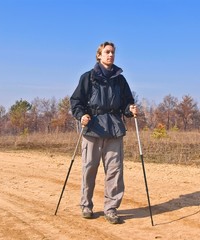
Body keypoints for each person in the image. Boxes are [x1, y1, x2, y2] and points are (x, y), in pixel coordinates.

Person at [70, 41, 138, 224]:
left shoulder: (120, 79)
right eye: (107, 52)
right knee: (89, 168)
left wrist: (130, 110)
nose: (110, 55)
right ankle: (86, 205)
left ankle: (111, 208)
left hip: (114, 129)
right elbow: (76, 101)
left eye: (113, 52)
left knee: (115, 171)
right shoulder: (88, 77)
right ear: (99, 55)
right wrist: (81, 115)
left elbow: (127, 102)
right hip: (93, 128)